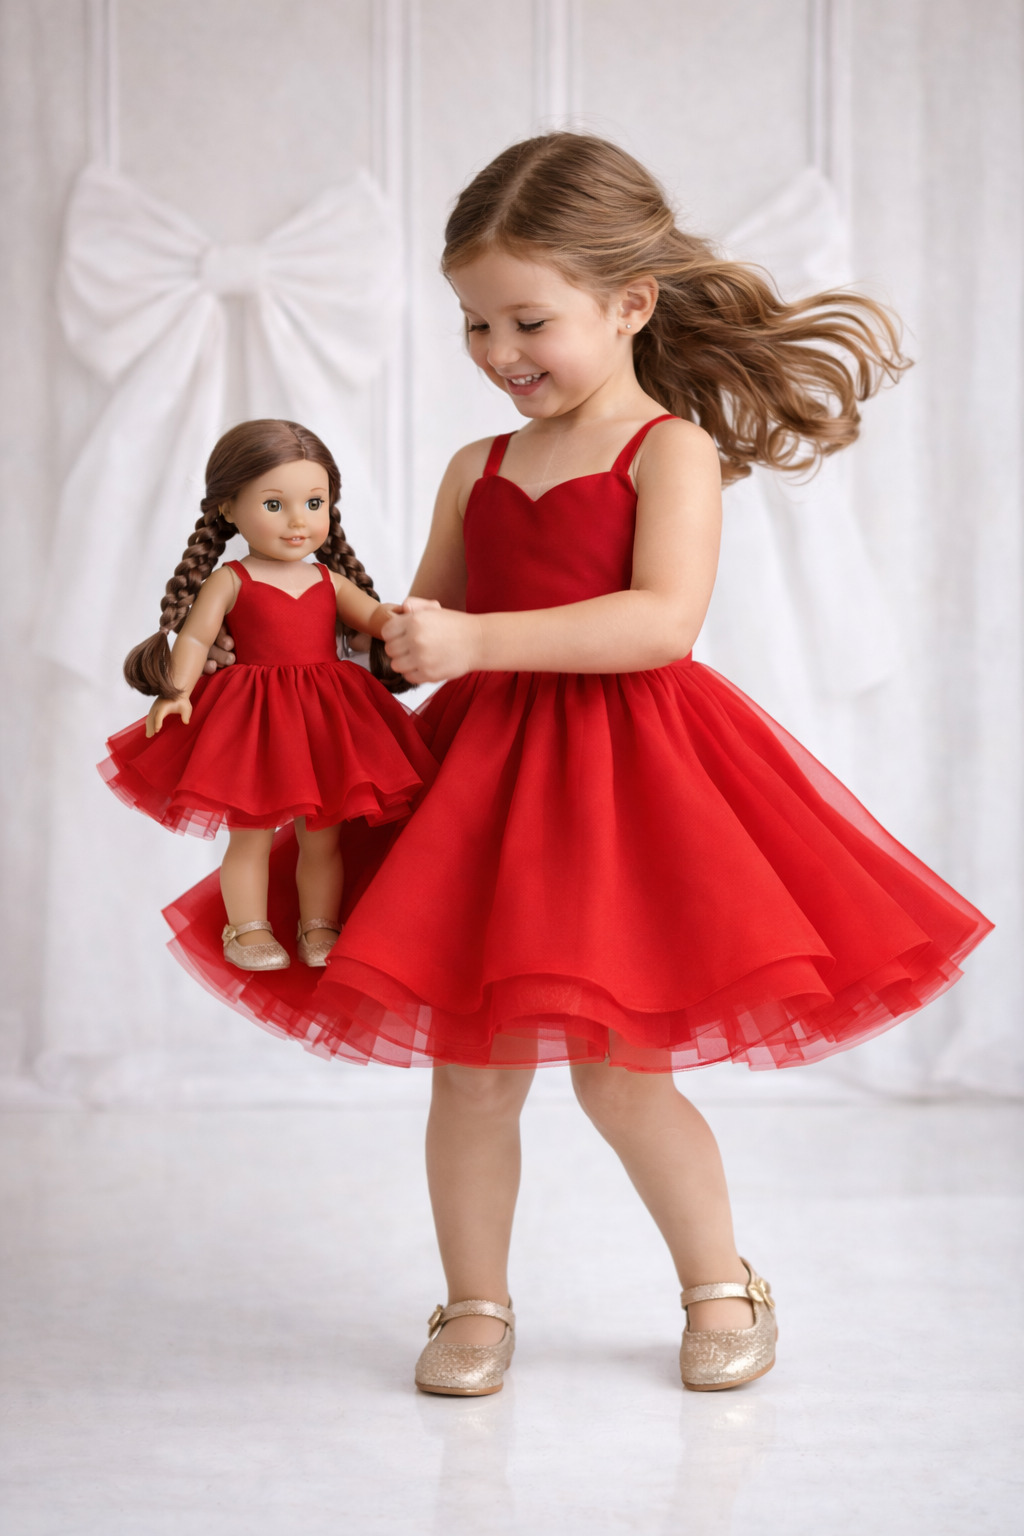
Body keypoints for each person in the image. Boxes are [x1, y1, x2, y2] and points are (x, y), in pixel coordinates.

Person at [166, 135, 992, 1394]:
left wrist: (475, 639)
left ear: (629, 303)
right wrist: (298, 637)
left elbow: (659, 622)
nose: (498, 351)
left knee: (621, 1075)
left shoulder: (667, 451)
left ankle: (722, 1283)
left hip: (627, 783)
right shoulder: (476, 466)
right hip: (479, 789)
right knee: (470, 1074)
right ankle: (473, 1305)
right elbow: (416, 631)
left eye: (527, 321)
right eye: (474, 323)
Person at [100, 418, 435, 972]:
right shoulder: (230, 579)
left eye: (314, 503)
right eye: (275, 505)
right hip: (253, 720)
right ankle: (247, 927)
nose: (299, 520)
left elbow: (373, 616)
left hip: (326, 718)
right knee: (251, 835)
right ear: (229, 508)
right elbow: (196, 638)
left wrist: (402, 620)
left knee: (322, 837)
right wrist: (176, 690)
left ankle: (319, 923)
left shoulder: (328, 580)